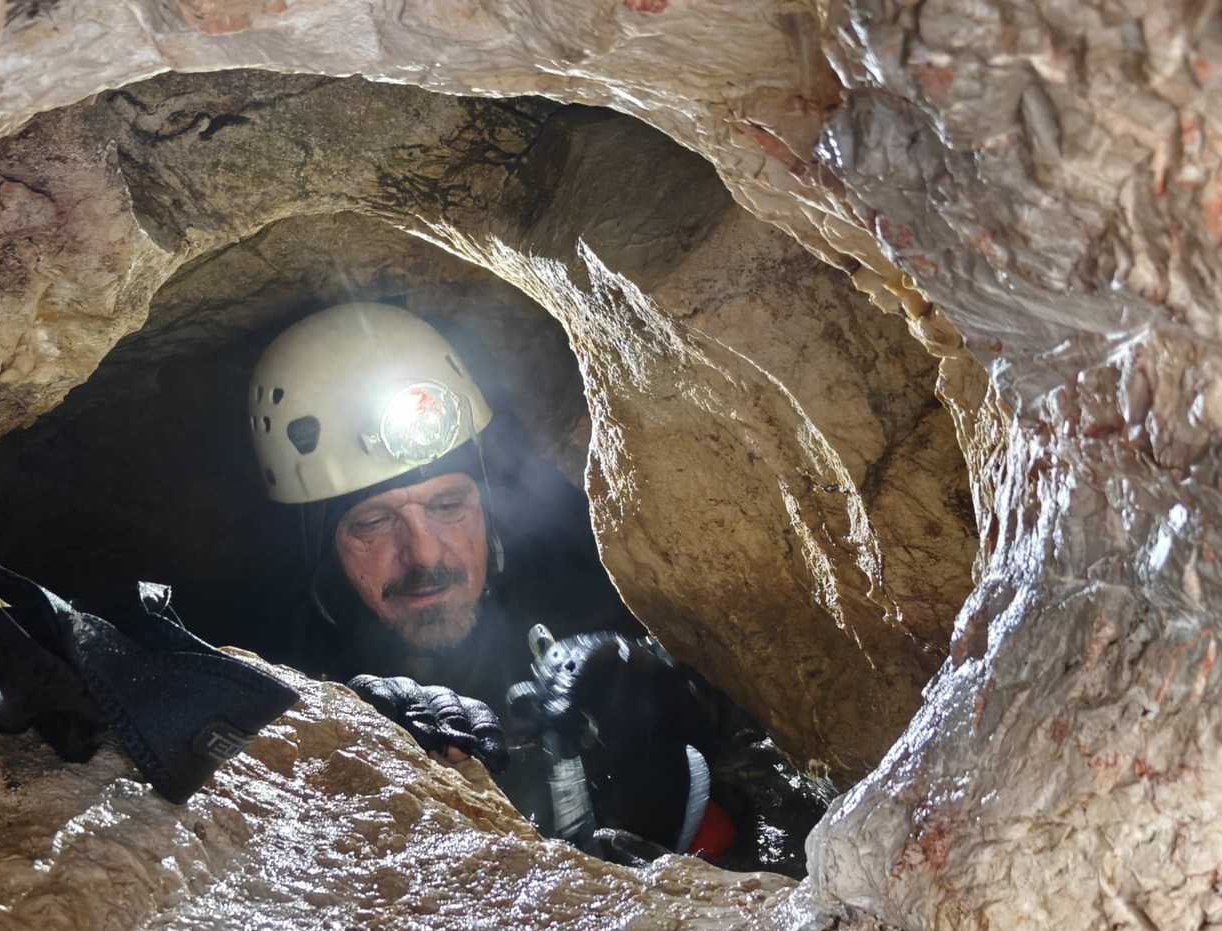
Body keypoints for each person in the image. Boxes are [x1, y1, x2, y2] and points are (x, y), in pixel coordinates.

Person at [247, 302, 829, 874]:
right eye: (373, 522)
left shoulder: (589, 588)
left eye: (448, 505)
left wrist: (674, 691)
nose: (424, 553)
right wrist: (346, 733)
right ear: (317, 548)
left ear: (486, 504)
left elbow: (785, 743)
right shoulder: (268, 678)